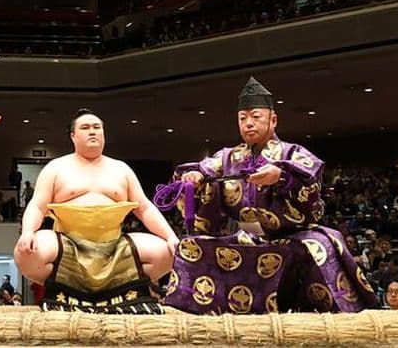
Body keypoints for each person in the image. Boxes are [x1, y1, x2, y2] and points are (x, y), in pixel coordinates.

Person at [160, 77, 378, 314]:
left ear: (273, 120)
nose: (248, 123)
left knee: (321, 246)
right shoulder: (228, 157)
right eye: (242, 119)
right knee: (191, 246)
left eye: (256, 117)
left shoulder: (291, 152)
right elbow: (203, 168)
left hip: (294, 235)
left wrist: (282, 176)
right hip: (247, 236)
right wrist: (194, 177)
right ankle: (187, 312)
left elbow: (310, 183)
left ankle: (340, 317)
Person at [14, 108, 178, 313]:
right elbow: (38, 205)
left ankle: (115, 289)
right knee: (28, 253)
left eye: (97, 127)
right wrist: (28, 232)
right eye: (85, 127)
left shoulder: (121, 169)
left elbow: (144, 208)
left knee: (165, 252)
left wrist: (171, 236)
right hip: (67, 247)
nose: (92, 131)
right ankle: (73, 287)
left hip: (114, 247)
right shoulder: (56, 167)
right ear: (73, 136)